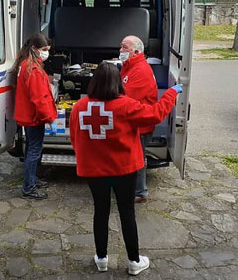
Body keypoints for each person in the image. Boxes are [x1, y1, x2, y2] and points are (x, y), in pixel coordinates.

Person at [69, 62, 182, 275]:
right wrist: (170, 94)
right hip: (124, 170)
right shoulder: (126, 105)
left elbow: (75, 140)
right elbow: (156, 114)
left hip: (94, 171)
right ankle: (133, 261)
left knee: (100, 212)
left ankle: (101, 259)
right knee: (127, 212)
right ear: (118, 82)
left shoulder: (79, 107)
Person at [12, 33, 58, 200]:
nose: (46, 53)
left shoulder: (26, 64)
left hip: (28, 116)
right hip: (34, 118)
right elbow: (40, 99)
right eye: (44, 49)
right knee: (33, 152)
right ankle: (29, 187)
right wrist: (50, 119)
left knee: (32, 149)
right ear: (34, 49)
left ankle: (32, 180)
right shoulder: (34, 70)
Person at [119, 35, 158, 203]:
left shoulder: (140, 70)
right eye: (121, 47)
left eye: (124, 48)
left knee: (137, 157)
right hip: (133, 121)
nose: (121, 50)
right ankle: (134, 189)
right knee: (133, 156)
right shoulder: (129, 66)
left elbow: (127, 97)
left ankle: (140, 192)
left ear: (135, 52)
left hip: (140, 123)